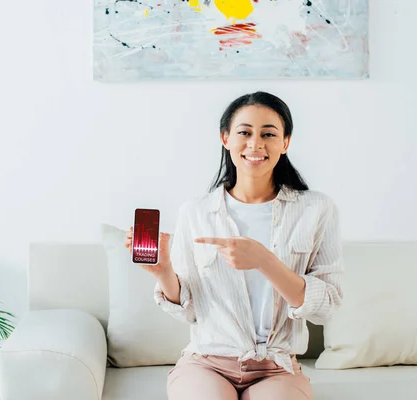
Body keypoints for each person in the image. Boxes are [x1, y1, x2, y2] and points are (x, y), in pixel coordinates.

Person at [125, 91, 344, 400]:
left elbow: (327, 308)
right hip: (206, 364)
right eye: (244, 132)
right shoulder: (196, 211)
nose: (255, 144)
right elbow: (189, 310)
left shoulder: (316, 210)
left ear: (286, 142)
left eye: (268, 133)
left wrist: (264, 260)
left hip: (277, 367)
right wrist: (163, 272)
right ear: (225, 138)